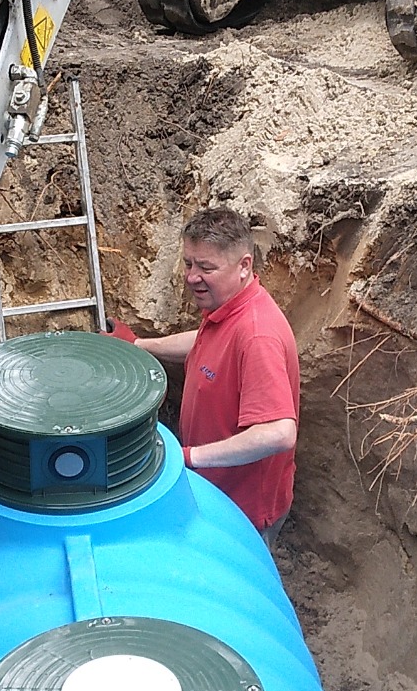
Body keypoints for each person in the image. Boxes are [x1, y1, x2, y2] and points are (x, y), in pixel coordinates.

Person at [111, 208, 300, 546]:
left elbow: (279, 432)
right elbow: (205, 342)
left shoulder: (257, 334)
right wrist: (139, 344)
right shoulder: (227, 308)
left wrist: (189, 457)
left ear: (244, 266)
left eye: (206, 268)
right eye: (188, 263)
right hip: (214, 489)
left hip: (242, 510)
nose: (192, 277)